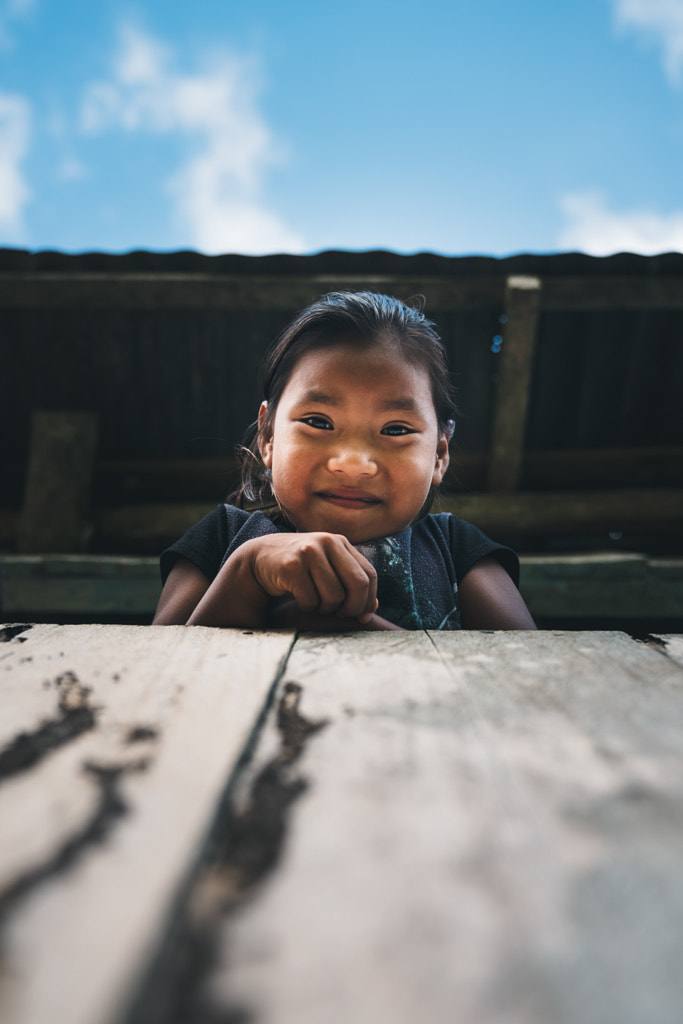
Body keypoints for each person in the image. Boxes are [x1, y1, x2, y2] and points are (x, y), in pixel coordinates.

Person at [153, 291, 536, 631]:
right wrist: (246, 572)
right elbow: (153, 673)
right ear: (268, 437)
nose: (353, 464)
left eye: (396, 429)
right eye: (319, 422)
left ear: (439, 454)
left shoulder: (457, 552)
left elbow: (528, 676)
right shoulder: (222, 538)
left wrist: (362, 632)